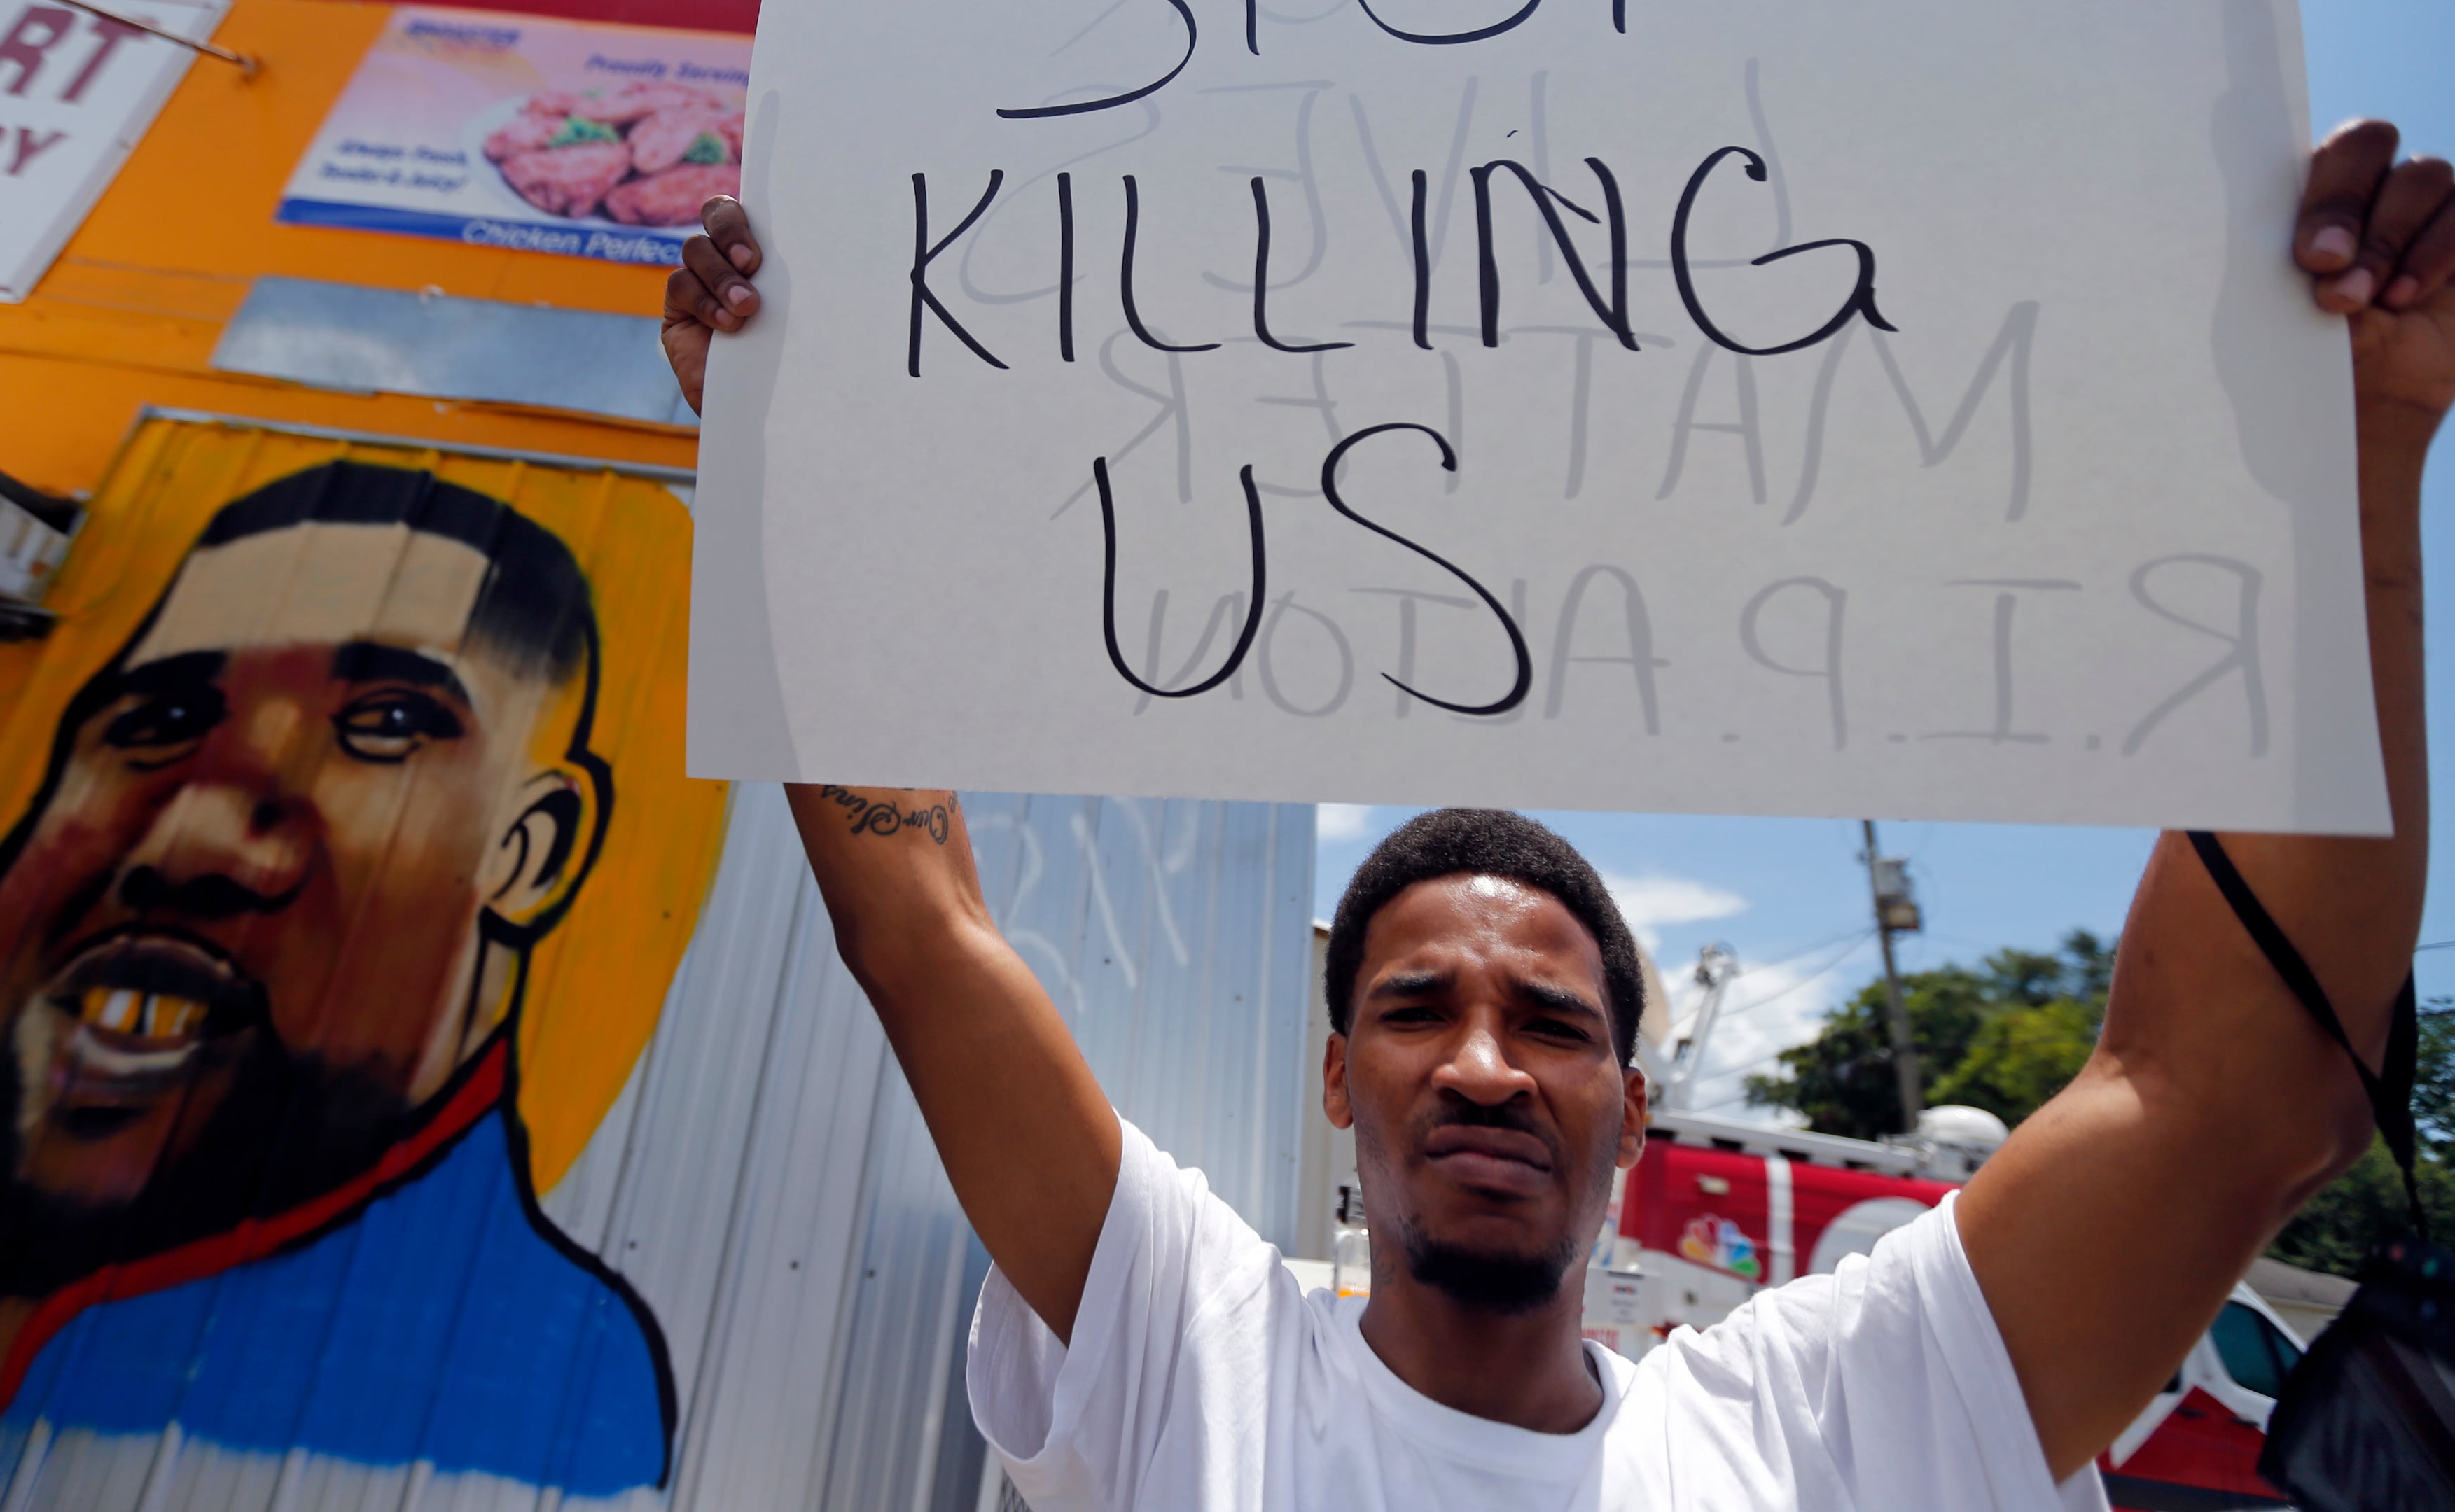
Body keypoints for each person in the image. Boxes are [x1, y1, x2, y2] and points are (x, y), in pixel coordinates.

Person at [662, 118, 2452, 1508]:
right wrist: (785, 466)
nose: (1489, 1064)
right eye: (1417, 1008)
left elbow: (2235, 1094)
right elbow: (919, 935)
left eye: (1555, 1023)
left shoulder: (1838, 1422)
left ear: (1635, 1104)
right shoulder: (1192, 1353)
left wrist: (2360, 455)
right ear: (1335, 1080)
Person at [0, 462, 672, 1494]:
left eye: (387, 727)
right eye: (159, 724)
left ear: (531, 851)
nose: (189, 835)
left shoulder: (545, 1394)